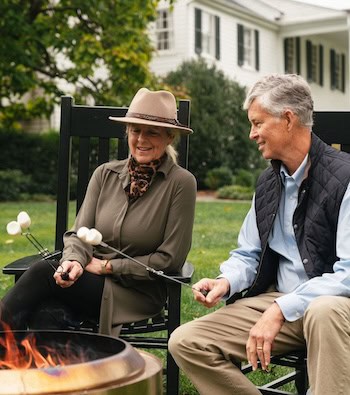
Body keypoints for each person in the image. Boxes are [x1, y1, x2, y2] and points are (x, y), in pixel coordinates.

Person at [168, 73, 350, 395]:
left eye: (257, 123)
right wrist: (226, 282)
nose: (251, 134)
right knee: (187, 341)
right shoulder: (268, 183)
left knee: (323, 311)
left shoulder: (345, 178)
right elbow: (248, 254)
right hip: (280, 300)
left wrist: (281, 309)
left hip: (332, 308)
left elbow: (347, 274)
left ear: (288, 119)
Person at [1, 87, 197, 336]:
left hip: (136, 292)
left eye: (152, 132)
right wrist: (73, 260)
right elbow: (77, 234)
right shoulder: (105, 174)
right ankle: (37, 372)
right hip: (87, 281)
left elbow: (170, 260)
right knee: (47, 314)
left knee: (42, 271)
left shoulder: (181, 183)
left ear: (170, 137)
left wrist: (108, 267)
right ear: (127, 132)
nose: (141, 139)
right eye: (135, 130)